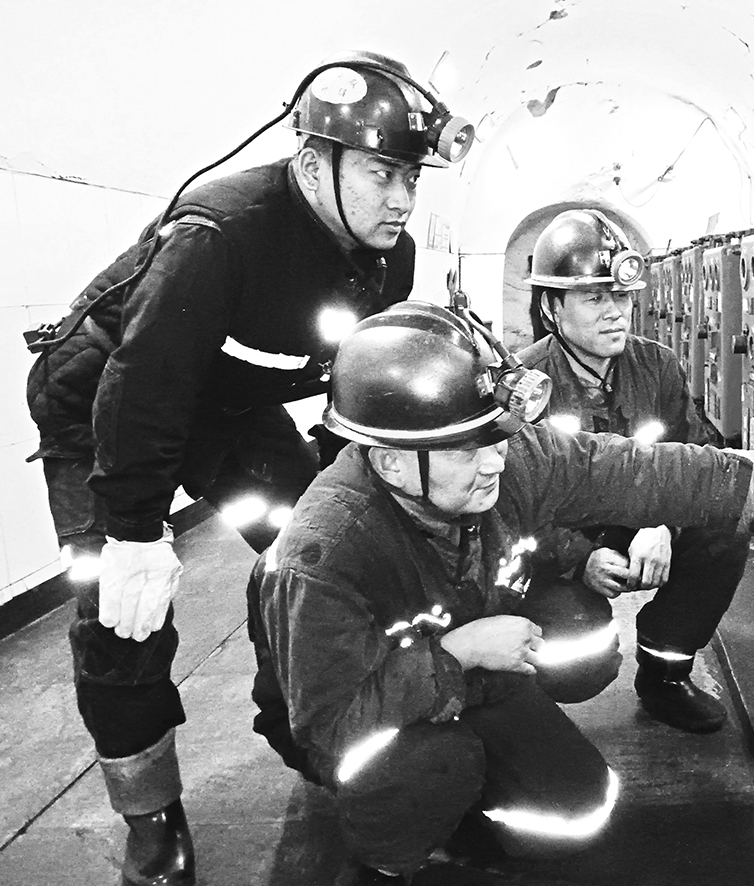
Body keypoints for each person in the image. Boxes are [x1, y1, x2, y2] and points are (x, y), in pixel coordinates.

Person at [247, 299, 754, 884]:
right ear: (391, 461)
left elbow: (638, 470)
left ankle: (458, 799)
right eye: (467, 449)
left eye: (497, 438)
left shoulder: (500, 462)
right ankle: (387, 856)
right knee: (430, 766)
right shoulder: (324, 553)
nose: (496, 462)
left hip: (468, 674)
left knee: (576, 812)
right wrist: (457, 653)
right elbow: (329, 723)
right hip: (354, 714)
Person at [23, 50, 471, 886]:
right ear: (313, 161)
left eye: (411, 176)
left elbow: (357, 383)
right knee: (123, 614)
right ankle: (150, 815)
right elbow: (144, 381)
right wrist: (133, 530)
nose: (401, 199)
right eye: (381, 173)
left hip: (225, 406)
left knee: (312, 555)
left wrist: (353, 492)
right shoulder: (220, 232)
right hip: (103, 408)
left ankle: (310, 732)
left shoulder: (389, 255)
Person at [516, 208, 747, 733]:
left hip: (640, 524)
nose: (615, 313)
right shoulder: (525, 384)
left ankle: (665, 676)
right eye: (594, 298)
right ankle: (521, 700)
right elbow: (509, 509)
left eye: (621, 297)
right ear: (551, 307)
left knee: (724, 526)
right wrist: (579, 559)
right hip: (562, 540)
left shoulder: (656, 366)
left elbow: (698, 457)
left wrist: (665, 523)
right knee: (577, 663)